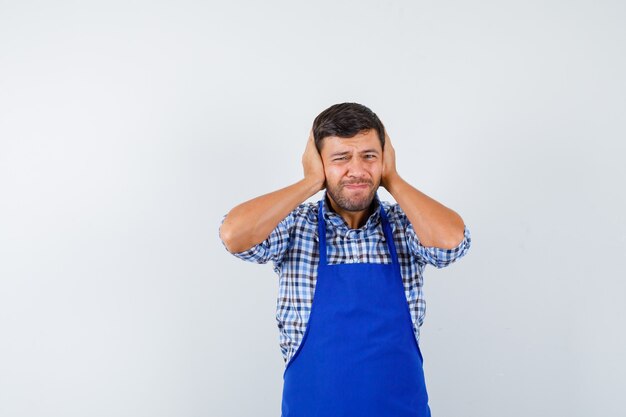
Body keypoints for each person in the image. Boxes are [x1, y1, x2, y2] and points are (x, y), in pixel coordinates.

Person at [219, 102, 471, 417]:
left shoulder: (406, 225)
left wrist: (393, 179)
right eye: (340, 158)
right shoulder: (297, 226)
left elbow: (451, 243)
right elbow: (234, 236)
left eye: (369, 156)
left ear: (385, 160)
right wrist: (309, 183)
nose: (358, 170)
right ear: (319, 163)